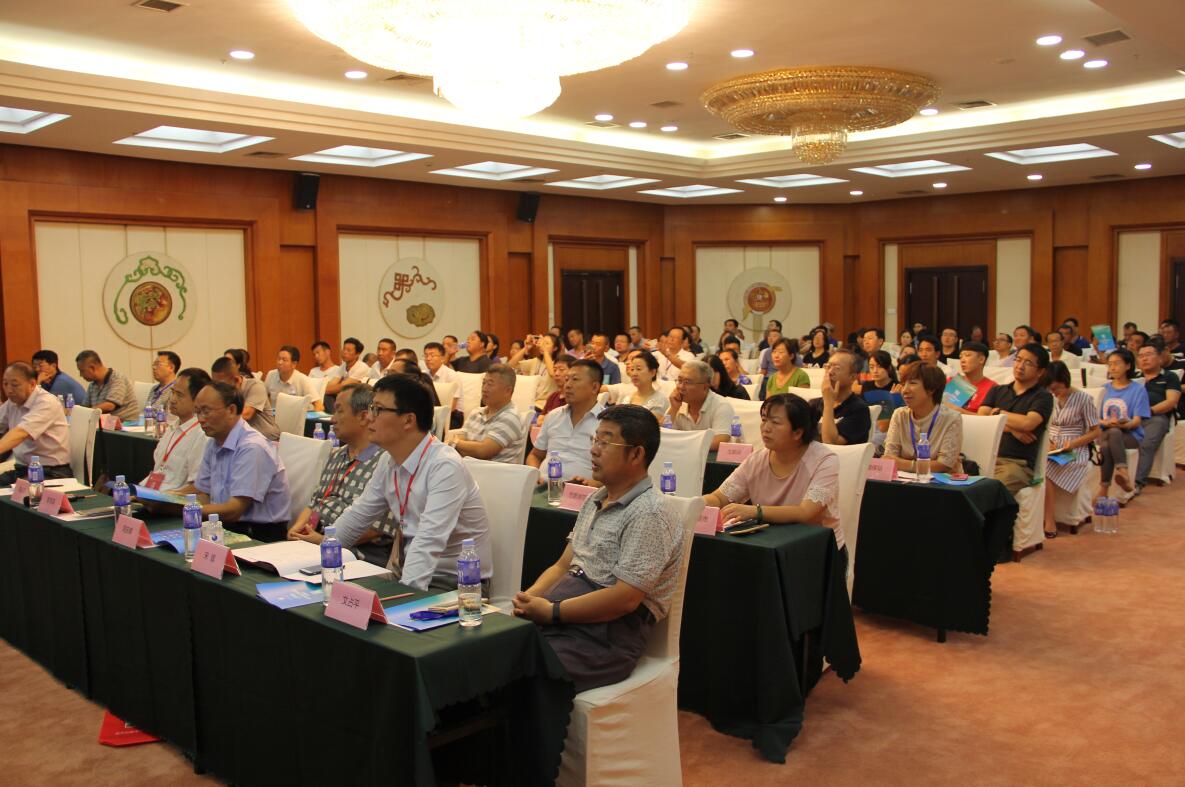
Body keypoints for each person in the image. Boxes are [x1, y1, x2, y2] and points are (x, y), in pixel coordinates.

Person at [514, 405, 683, 692]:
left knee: (525, 674)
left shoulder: (650, 513)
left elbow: (625, 599)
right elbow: (563, 565)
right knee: (494, 654)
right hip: (565, 616)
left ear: (636, 454)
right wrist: (528, 599)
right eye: (595, 440)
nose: (593, 450)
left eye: (605, 442)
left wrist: (552, 611)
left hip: (605, 636)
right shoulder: (596, 499)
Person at [331, 374, 492, 590]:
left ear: (408, 420)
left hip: (456, 582)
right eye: (370, 408)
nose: (368, 417)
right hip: (410, 572)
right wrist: (321, 557)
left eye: (378, 410)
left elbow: (428, 540)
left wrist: (406, 598)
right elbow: (357, 516)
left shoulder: (444, 466)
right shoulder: (388, 460)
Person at [703, 393, 842, 546]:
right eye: (764, 420)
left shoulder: (824, 460)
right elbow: (719, 498)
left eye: (775, 422)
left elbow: (805, 512)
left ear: (797, 432)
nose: (766, 428)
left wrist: (755, 511)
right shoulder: (756, 460)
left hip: (818, 546)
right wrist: (695, 504)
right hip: (770, 542)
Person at [286, 386, 393, 566]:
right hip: (317, 540)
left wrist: (323, 540)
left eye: (339, 411)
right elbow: (316, 501)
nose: (332, 419)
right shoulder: (337, 455)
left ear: (363, 417)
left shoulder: (385, 461)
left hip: (358, 554)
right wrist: (298, 528)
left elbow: (377, 527)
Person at [174, 381, 291, 542]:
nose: (200, 419)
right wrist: (169, 501)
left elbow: (235, 510)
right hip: (223, 525)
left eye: (206, 412)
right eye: (197, 412)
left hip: (258, 535)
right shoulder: (214, 442)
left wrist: (182, 511)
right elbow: (205, 495)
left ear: (231, 410)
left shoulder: (251, 447)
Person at [978, 344, 1055, 498]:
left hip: (1016, 465)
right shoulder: (997, 390)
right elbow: (982, 418)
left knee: (989, 491)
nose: (1020, 366)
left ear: (1040, 371)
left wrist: (997, 412)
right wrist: (1013, 429)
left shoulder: (1043, 397)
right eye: (1018, 360)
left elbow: (1028, 423)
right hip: (984, 459)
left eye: (1028, 363)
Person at [1042, 361, 1101, 537]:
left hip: (1075, 449)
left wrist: (1072, 444)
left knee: (1046, 469)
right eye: (1051, 389)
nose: (1054, 392)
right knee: (1037, 463)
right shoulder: (1049, 398)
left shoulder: (1084, 399)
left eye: (1057, 388)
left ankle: (1049, 520)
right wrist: (1049, 442)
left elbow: (1095, 431)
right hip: (1052, 445)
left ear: (1065, 381)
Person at [529, 359, 604, 481]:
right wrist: (535, 475)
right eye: (567, 379)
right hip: (544, 486)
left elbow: (616, 473)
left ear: (594, 387)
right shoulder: (553, 416)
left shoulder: (606, 422)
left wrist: (594, 484)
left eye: (575, 379)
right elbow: (535, 455)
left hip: (581, 489)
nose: (567, 385)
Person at [884, 362, 963, 472]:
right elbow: (889, 457)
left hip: (940, 481)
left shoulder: (952, 418)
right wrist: (925, 466)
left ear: (931, 389)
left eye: (912, 383)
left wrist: (906, 465)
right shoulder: (899, 414)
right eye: (903, 384)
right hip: (903, 480)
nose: (905, 390)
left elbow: (944, 464)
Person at [0, 362, 71, 485]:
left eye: (15, 385)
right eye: (5, 384)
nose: (9, 390)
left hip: (51, 472)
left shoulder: (46, 402)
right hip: (22, 469)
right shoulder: (12, 402)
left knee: (20, 494)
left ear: (32, 384)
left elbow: (20, 433)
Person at [140, 368, 211, 492]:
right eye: (172, 392)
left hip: (171, 500)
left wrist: (162, 497)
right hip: (151, 492)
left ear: (198, 400)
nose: (172, 400)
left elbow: (198, 487)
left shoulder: (202, 435)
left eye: (179, 395)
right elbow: (159, 468)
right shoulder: (172, 428)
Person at [1094, 347, 1150, 500]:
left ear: (1128, 365)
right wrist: (1107, 422)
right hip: (1105, 432)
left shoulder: (1138, 390)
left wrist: (1123, 424)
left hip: (1130, 435)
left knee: (1110, 440)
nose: (1112, 367)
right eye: (1110, 364)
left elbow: (1137, 421)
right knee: (1110, 436)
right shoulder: (1104, 389)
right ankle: (1123, 472)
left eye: (1117, 363)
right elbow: (1095, 418)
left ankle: (1104, 489)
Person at [450, 363, 526, 464]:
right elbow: (461, 439)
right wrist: (459, 443)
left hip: (494, 472)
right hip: (467, 469)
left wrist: (455, 442)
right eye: (483, 383)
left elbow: (484, 451)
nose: (484, 389)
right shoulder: (476, 412)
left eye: (490, 384)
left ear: (508, 391)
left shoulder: (511, 417)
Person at [1134, 339, 1180, 492]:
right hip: (1131, 417)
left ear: (1160, 357)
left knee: (1146, 444)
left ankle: (1137, 483)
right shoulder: (1134, 377)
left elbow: (1171, 401)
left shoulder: (1169, 377)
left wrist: (1149, 411)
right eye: (1141, 356)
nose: (1144, 359)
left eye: (1149, 355)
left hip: (1156, 417)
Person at [666, 360, 736, 451]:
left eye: (687, 382)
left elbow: (720, 440)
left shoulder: (721, 406)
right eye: (679, 381)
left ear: (705, 387)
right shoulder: (678, 403)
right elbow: (662, 435)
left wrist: (683, 445)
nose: (681, 387)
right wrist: (673, 408)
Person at [210, 356, 280, 440]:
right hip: (245, 439)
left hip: (268, 439)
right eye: (215, 383)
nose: (217, 387)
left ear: (236, 380)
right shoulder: (222, 392)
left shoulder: (255, 386)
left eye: (220, 384)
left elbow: (245, 415)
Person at [813, 349, 871, 446]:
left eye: (837, 368)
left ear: (853, 377)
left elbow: (830, 443)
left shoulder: (860, 410)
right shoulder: (814, 404)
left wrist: (828, 403)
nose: (830, 372)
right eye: (828, 366)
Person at [75, 350, 139, 422]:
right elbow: (85, 406)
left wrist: (88, 412)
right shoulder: (92, 385)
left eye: (82, 371)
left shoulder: (117, 379)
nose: (80, 375)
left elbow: (110, 406)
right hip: (106, 423)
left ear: (92, 368)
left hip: (125, 424)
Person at [858, 350, 902, 449]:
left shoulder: (897, 387)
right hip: (870, 426)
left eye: (879, 366)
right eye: (871, 367)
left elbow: (895, 419)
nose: (875, 371)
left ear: (888, 368)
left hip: (890, 430)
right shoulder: (866, 386)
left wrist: (892, 399)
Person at [508, 333, 561, 410]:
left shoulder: (557, 364)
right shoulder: (535, 361)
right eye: (542, 342)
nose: (542, 345)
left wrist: (545, 350)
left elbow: (552, 373)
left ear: (555, 348)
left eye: (546, 343)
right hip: (530, 403)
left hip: (545, 405)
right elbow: (511, 364)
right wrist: (526, 348)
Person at [264, 345, 323, 412]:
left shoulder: (302, 379)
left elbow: (319, 405)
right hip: (275, 417)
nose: (280, 362)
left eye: (284, 360)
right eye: (279, 359)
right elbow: (262, 398)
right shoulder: (271, 375)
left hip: (297, 417)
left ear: (294, 364)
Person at [946, 341, 996, 414]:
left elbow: (987, 418)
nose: (962, 360)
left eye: (967, 355)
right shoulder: (951, 381)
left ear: (981, 359)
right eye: (960, 357)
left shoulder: (993, 388)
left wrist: (958, 410)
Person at [618, 350, 669, 419]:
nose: (634, 374)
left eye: (639, 369)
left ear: (652, 372)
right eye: (632, 369)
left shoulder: (660, 401)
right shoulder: (626, 397)